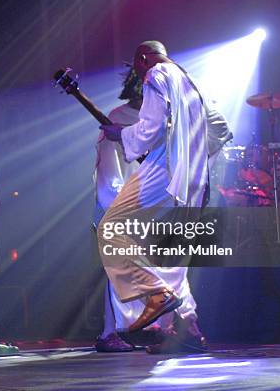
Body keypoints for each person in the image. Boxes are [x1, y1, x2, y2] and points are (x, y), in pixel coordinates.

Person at [99, 41, 231, 353]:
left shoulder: (156, 74)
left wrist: (123, 135)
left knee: (111, 229)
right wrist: (194, 156)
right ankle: (188, 330)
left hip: (165, 174)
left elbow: (150, 128)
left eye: (136, 67)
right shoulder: (191, 82)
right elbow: (221, 129)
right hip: (195, 183)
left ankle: (155, 293)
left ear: (142, 59)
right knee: (173, 259)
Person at [93, 66, 199, 353]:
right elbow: (109, 173)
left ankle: (176, 328)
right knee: (123, 268)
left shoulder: (163, 122)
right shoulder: (118, 120)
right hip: (125, 206)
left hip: (158, 207)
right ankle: (112, 332)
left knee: (168, 268)